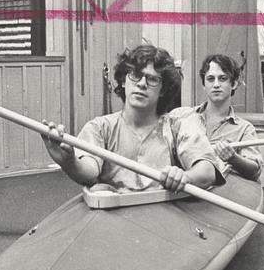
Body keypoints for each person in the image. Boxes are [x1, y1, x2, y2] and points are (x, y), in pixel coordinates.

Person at [41, 44, 226, 193]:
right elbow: (89, 172)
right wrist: (69, 162)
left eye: (153, 79)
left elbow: (208, 170)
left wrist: (186, 177)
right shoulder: (99, 128)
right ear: (123, 81)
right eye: (136, 76)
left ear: (163, 89)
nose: (142, 84)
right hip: (114, 221)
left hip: (163, 219)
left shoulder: (178, 126)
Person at [170, 54, 264, 181]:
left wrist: (233, 158)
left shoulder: (244, 129)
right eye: (210, 79)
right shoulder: (181, 116)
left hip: (219, 194)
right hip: (180, 191)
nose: (216, 85)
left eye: (222, 79)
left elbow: (255, 171)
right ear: (204, 85)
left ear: (234, 84)